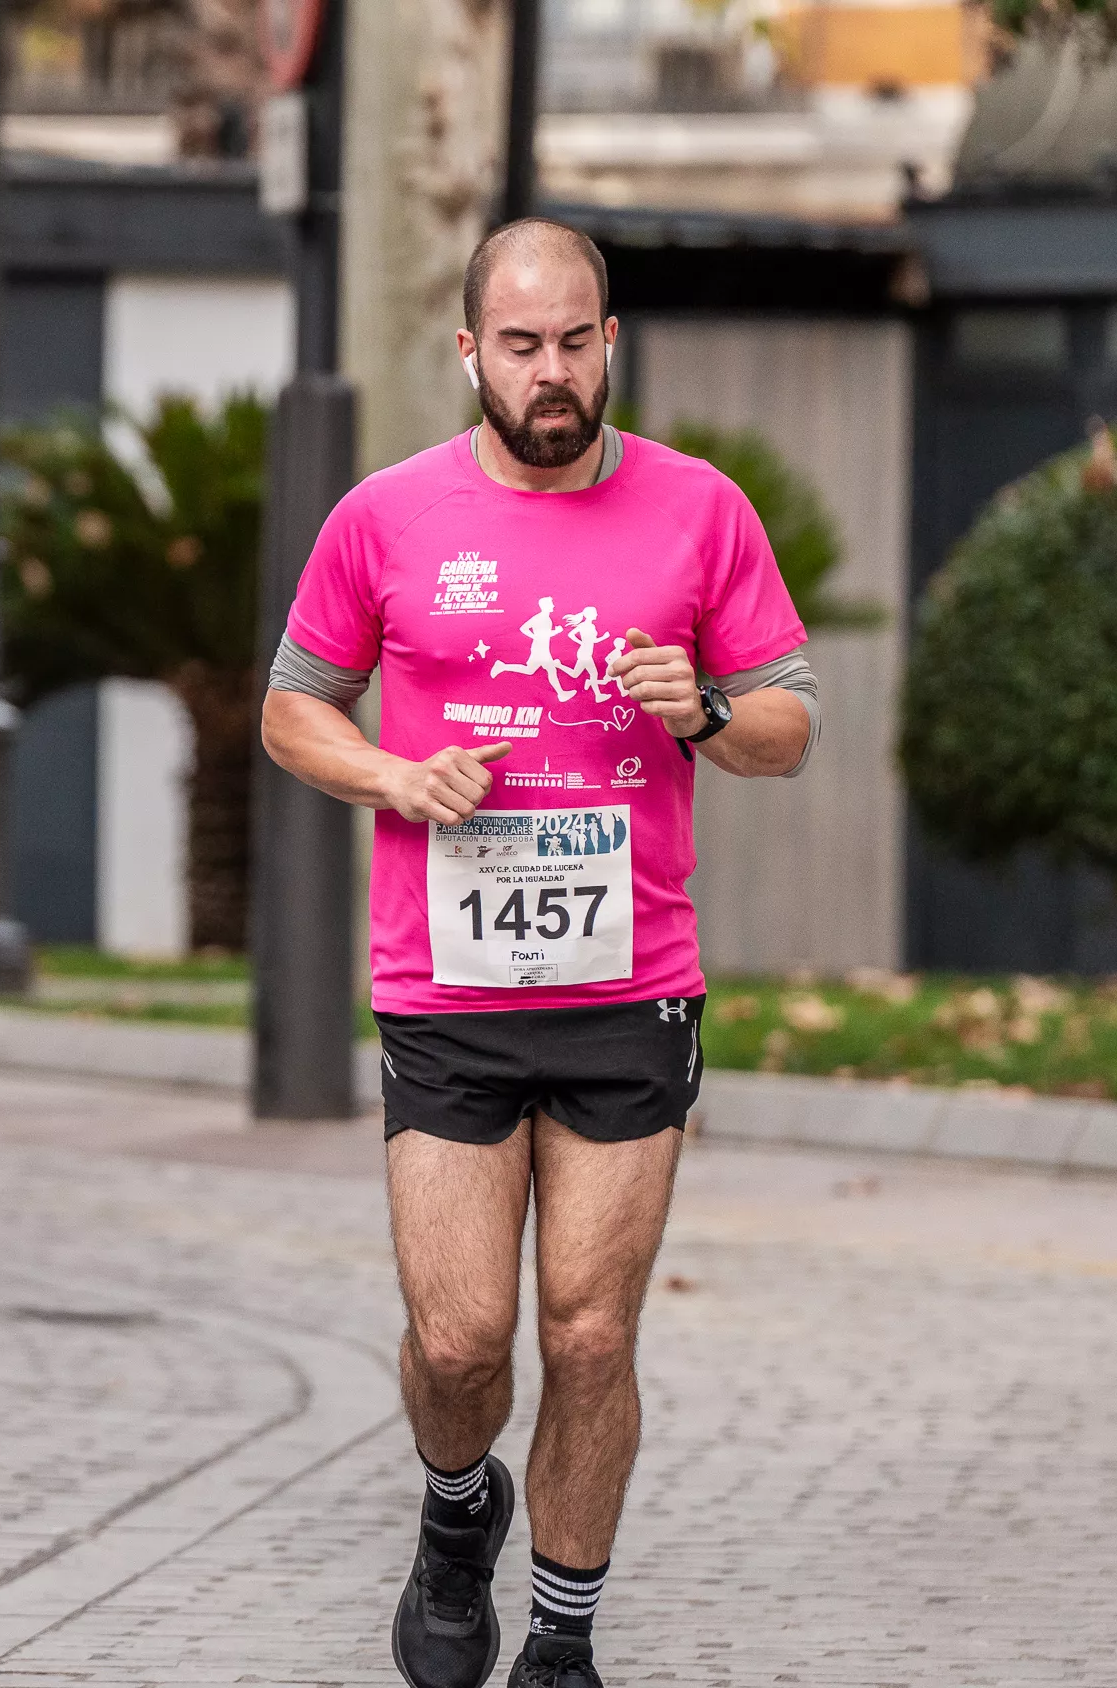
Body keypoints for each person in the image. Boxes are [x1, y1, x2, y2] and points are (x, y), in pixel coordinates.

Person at [262, 219, 820, 1688]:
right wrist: (392, 775)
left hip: (632, 979)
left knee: (585, 1334)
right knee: (461, 1341)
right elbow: (291, 707)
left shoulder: (701, 511)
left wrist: (698, 707)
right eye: (522, 345)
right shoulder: (385, 518)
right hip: (445, 986)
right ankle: (459, 1518)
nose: (553, 371)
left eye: (578, 340)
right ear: (471, 354)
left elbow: (787, 728)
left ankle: (562, 1642)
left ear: (610, 342)